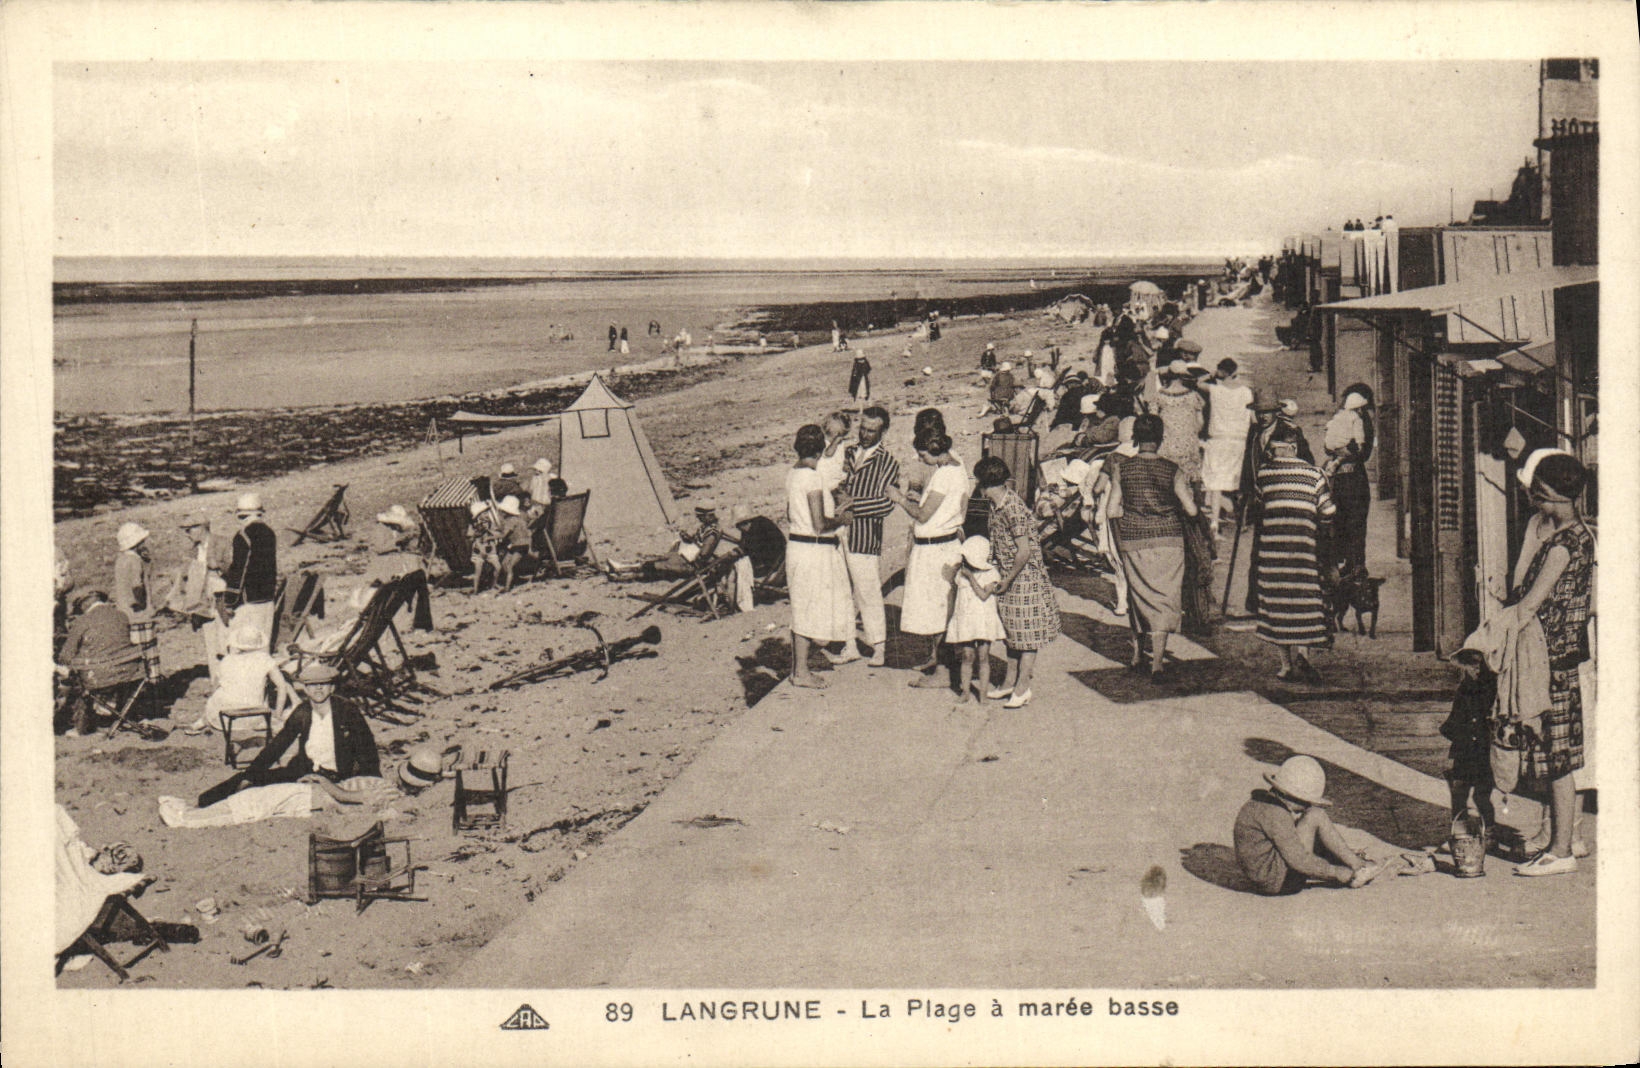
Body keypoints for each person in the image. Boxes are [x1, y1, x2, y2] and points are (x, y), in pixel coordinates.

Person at [1493, 451, 1595, 877]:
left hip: (1549, 659)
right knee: (1559, 757)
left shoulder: (1561, 546)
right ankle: (1563, 840)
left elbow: (1529, 605)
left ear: (1552, 496)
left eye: (1540, 496)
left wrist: (1489, 639)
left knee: (1556, 760)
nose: (1537, 503)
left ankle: (1560, 851)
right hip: (1564, 655)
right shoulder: (1583, 536)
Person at [196, 662, 380, 809]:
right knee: (246, 780)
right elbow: (277, 746)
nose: (318, 690)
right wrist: (251, 775)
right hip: (305, 770)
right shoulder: (303, 712)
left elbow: (367, 747)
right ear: (306, 689)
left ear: (331, 687)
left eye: (323, 685)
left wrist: (370, 779)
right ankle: (202, 803)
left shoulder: (347, 710)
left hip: (337, 775)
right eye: (312, 686)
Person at [1105, 414, 1197, 678]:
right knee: (1164, 598)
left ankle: (1136, 655)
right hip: (1169, 540)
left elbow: (1112, 510)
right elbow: (1190, 510)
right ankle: (1157, 661)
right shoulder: (1172, 469)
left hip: (1134, 541)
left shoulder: (1122, 468)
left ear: (1135, 437)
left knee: (1138, 596)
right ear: (1160, 438)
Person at [1252, 422, 1336, 683]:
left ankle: (1286, 665)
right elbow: (1329, 512)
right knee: (1305, 603)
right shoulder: (1314, 474)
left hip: (1273, 553)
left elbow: (1258, 509)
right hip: (1304, 551)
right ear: (1294, 447)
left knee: (1278, 605)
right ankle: (1305, 657)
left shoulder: (1264, 475)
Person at [886, 428, 969, 685]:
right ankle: (937, 660)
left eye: (922, 454)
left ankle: (943, 672)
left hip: (936, 550)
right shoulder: (958, 469)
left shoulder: (946, 475)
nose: (920, 459)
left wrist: (898, 498)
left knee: (937, 611)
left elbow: (923, 515)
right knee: (940, 608)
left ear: (934, 450)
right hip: (941, 545)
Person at [976, 455, 1061, 707]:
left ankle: (1023, 687)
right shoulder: (997, 504)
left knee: (1026, 635)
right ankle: (1009, 682)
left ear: (985, 484)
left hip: (1023, 577)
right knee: (1011, 632)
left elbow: (1023, 551)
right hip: (1009, 574)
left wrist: (1008, 578)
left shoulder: (1012, 508)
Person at [1233, 755, 1382, 894]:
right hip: (1279, 883)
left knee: (1311, 820)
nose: (1308, 805)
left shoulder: (1259, 803)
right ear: (1291, 796)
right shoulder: (1277, 815)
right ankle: (1358, 866)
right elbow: (1299, 861)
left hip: (1261, 877)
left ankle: (1353, 861)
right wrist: (1337, 873)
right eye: (1306, 801)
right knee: (1315, 815)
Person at [785, 424, 854, 689]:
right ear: (821, 450)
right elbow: (818, 523)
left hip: (798, 547)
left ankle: (798, 669)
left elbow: (791, 513)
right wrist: (841, 518)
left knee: (803, 607)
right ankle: (801, 672)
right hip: (812, 549)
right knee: (808, 609)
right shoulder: (812, 478)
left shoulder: (792, 474)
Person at [834, 406, 900, 667]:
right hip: (838, 531)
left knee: (868, 591)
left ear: (883, 431)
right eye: (862, 428)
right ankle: (849, 643)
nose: (864, 434)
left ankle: (878, 646)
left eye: (871, 431)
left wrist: (853, 506)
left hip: (864, 535)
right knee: (841, 590)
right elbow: (836, 484)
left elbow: (886, 504)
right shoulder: (847, 453)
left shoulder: (888, 463)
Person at [55, 589, 144, 734]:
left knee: (71, 675)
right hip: (130, 673)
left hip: (99, 678)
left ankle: (80, 728)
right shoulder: (121, 615)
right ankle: (115, 707)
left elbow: (65, 656)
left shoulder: (82, 621)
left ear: (84, 605)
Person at [186, 622, 297, 735]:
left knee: (219, 696)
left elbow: (215, 687)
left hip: (223, 715)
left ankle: (201, 721)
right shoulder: (265, 659)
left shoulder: (227, 660)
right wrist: (277, 715)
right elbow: (282, 686)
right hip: (254, 714)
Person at [166, 516, 229, 685]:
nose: (187, 534)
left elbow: (234, 569)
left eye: (189, 529)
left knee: (226, 642)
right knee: (211, 645)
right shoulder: (191, 552)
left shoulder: (223, 543)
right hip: (201, 605)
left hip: (222, 600)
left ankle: (231, 681)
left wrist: (219, 567)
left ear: (201, 527)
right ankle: (217, 683)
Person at [1442, 647, 1498, 837]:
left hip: (1484, 750)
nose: (1475, 670)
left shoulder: (1491, 687)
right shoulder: (1464, 689)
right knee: (1459, 791)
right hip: (1464, 748)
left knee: (1481, 795)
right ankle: (1460, 826)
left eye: (1478, 666)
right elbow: (1455, 718)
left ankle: (1489, 830)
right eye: (1470, 666)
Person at [947, 535, 1006, 705]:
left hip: (983, 621)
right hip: (966, 620)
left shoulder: (992, 574)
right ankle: (965, 691)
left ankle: (983, 694)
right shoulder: (961, 572)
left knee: (983, 657)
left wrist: (970, 577)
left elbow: (983, 595)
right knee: (967, 655)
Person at [1323, 384, 1375, 574]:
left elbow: (1363, 451)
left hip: (1352, 479)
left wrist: (1342, 451)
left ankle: (1355, 564)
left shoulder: (1363, 423)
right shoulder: (1345, 419)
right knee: (1341, 521)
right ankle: (1347, 564)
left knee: (1353, 521)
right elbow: (1329, 445)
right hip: (1345, 478)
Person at [1201, 358, 1255, 539]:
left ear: (1221, 372)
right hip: (1239, 440)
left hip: (1217, 440)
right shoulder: (1246, 392)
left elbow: (1198, 383)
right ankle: (1241, 519)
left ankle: (1214, 522)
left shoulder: (1215, 390)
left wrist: (1211, 375)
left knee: (1216, 483)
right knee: (1237, 480)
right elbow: (1253, 417)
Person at [224, 492, 278, 640]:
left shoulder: (243, 535)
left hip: (248, 601)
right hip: (267, 598)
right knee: (263, 643)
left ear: (241, 515)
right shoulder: (269, 533)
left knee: (244, 645)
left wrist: (229, 600)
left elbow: (239, 570)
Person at [112, 522, 161, 683]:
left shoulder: (120, 560)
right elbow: (137, 586)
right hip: (140, 615)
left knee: (134, 657)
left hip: (125, 615)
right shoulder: (135, 561)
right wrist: (142, 603)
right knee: (149, 656)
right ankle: (153, 685)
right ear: (137, 543)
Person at [1152, 360, 1206, 490]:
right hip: (1188, 444)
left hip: (1166, 445)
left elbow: (1153, 420)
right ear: (1183, 376)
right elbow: (1200, 423)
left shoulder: (1159, 395)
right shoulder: (1193, 396)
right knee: (1189, 480)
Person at [495, 496, 534, 591]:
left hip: (518, 545)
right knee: (505, 564)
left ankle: (507, 587)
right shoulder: (519, 519)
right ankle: (513, 579)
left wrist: (491, 536)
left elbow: (504, 535)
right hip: (521, 544)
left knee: (508, 565)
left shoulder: (509, 521)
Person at [467, 500, 502, 595]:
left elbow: (499, 534)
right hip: (479, 551)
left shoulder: (491, 524)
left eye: (487, 512)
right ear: (479, 515)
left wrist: (490, 535)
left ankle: (493, 584)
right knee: (478, 571)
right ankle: (475, 589)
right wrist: (476, 534)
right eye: (484, 513)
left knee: (498, 567)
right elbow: (469, 537)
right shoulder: (473, 526)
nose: (487, 515)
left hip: (490, 550)